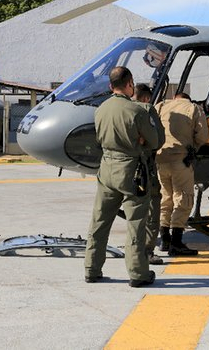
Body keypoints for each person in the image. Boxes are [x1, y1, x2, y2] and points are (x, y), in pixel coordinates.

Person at [84, 66, 159, 288]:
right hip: (131, 171)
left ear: (110, 86)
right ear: (130, 84)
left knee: (99, 221)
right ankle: (137, 273)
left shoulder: (100, 110)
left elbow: (99, 139)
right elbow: (155, 142)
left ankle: (91, 269)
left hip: (106, 169)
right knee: (136, 222)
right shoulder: (137, 111)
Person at [155, 91, 209, 256]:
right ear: (188, 99)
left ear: (175, 98)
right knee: (183, 198)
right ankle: (177, 242)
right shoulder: (194, 108)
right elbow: (203, 136)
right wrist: (193, 148)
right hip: (180, 160)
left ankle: (164, 239)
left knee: (166, 198)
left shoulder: (161, 106)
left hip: (159, 160)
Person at [132, 83, 165, 265]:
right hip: (144, 168)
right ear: (145, 98)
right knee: (152, 206)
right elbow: (158, 140)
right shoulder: (147, 110)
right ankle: (147, 251)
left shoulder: (114, 108)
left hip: (119, 168)